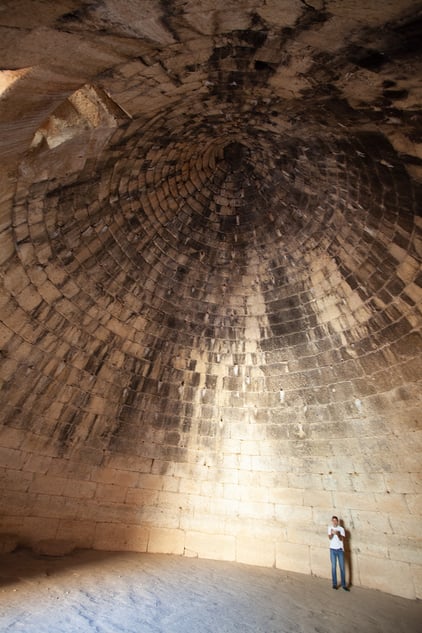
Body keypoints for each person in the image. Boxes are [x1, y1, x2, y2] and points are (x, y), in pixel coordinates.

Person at [328, 515, 349, 591]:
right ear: (332, 521)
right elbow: (329, 538)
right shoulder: (330, 528)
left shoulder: (341, 529)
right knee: (333, 567)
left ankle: (343, 585)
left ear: (337, 521)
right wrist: (332, 533)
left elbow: (342, 539)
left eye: (335, 520)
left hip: (340, 550)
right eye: (333, 520)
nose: (334, 522)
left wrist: (338, 534)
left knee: (342, 567)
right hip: (332, 550)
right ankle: (334, 584)